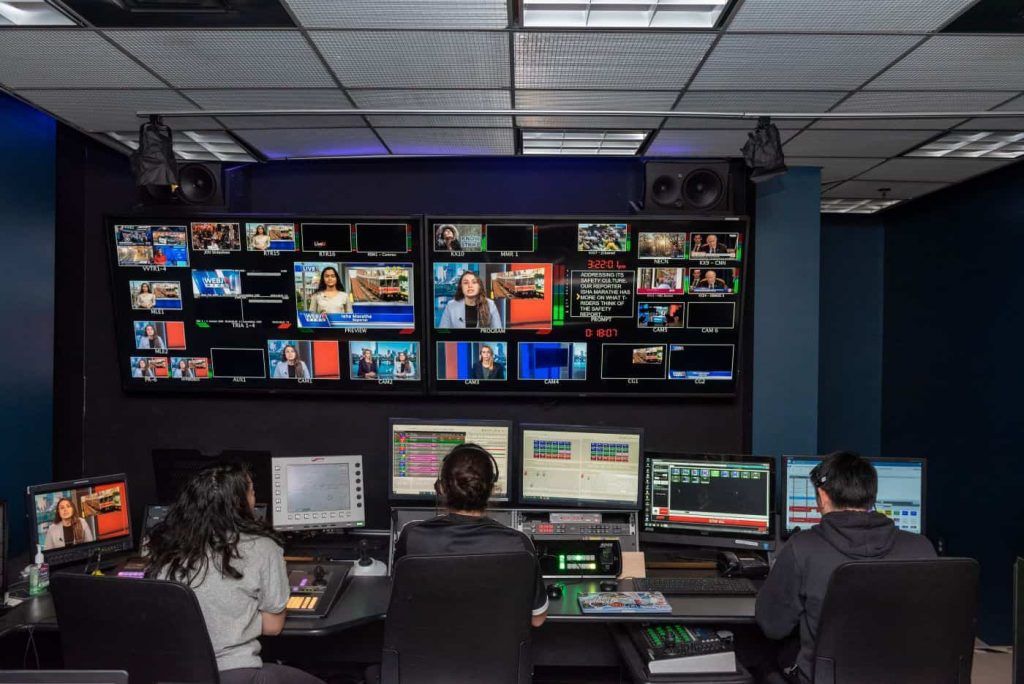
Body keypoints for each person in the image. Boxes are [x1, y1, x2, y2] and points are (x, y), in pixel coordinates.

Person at [755, 451, 936, 684]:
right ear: (872, 496)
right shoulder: (921, 548)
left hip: (827, 678)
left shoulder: (803, 548)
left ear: (822, 496)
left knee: (761, 659)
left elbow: (772, 626)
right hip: (908, 676)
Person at [145, 463, 324, 684]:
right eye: (251, 490)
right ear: (239, 504)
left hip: (174, 675)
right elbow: (274, 626)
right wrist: (235, 620)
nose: (254, 496)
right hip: (237, 674)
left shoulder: (165, 547)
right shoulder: (262, 547)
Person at [393, 444, 548, 628]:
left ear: (441, 488)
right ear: (492, 489)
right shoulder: (520, 544)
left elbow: (398, 598)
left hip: (424, 654)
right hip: (494, 655)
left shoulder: (411, 535)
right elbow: (537, 619)